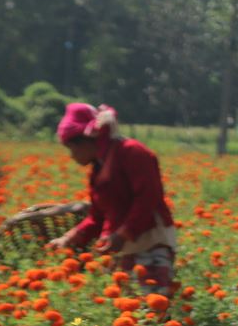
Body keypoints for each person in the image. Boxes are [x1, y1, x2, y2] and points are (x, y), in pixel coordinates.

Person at [47, 103, 178, 295]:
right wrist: (68, 238)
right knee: (125, 310)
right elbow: (98, 216)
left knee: (151, 311)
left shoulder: (132, 152)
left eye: (71, 148)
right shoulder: (99, 168)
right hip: (122, 245)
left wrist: (122, 235)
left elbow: (147, 199)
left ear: (85, 141)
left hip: (150, 241)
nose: (72, 156)